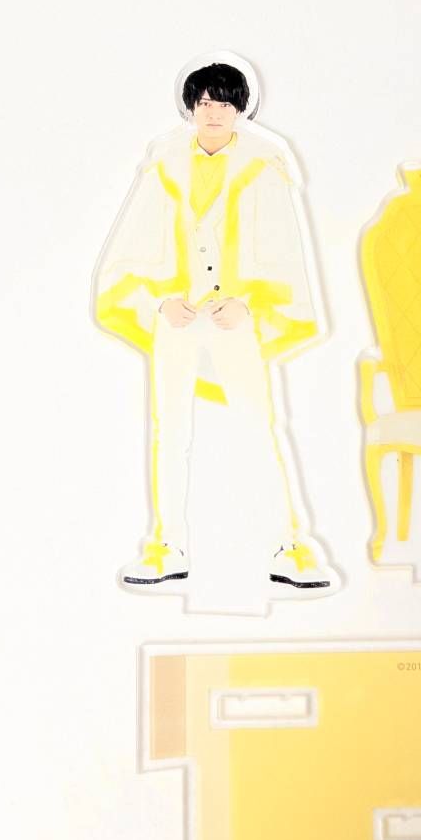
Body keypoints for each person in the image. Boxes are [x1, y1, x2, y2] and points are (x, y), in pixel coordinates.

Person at [93, 56, 334, 594]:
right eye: (204, 102)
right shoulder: (163, 161)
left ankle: (288, 546)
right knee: (169, 432)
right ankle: (167, 544)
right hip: (177, 318)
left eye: (224, 102)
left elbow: (281, 246)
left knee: (259, 426)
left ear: (240, 108)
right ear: (191, 108)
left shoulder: (264, 163)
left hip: (234, 320)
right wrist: (158, 300)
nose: (214, 112)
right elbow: (138, 239)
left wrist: (253, 304)